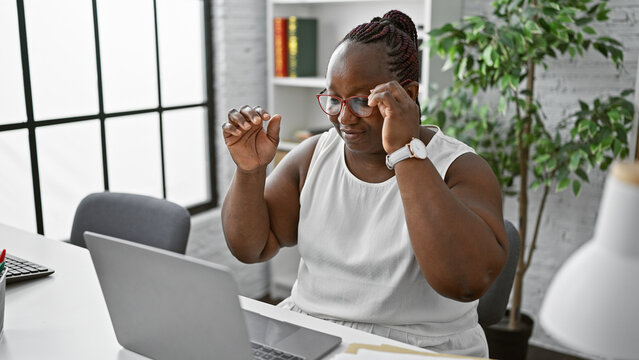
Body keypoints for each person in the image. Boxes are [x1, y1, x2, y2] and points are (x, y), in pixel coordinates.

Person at [221, 10, 507, 357]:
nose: (343, 117)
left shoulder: (460, 168)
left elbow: (464, 282)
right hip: (311, 331)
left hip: (415, 347)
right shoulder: (315, 155)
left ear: (409, 94)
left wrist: (404, 152)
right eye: (334, 100)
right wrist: (250, 172)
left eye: (361, 101)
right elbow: (251, 247)